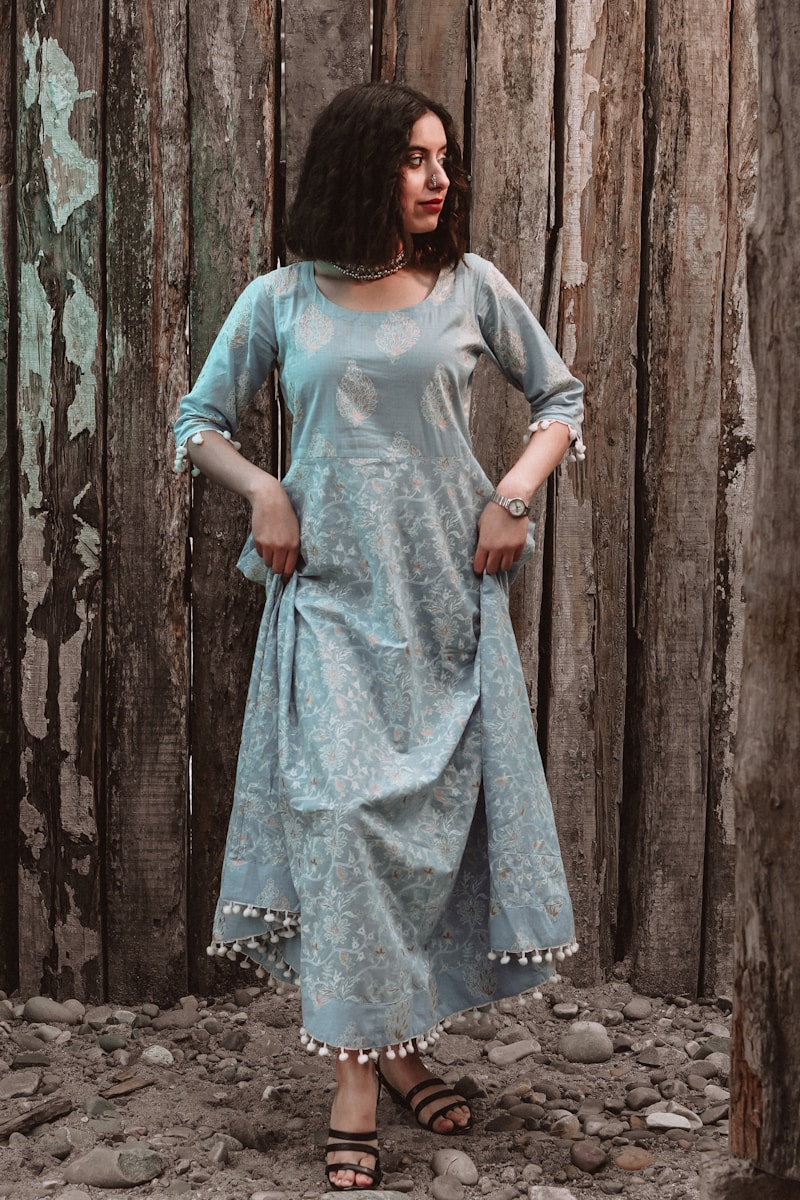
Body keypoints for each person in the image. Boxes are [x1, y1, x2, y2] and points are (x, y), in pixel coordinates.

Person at [174, 81, 585, 1191]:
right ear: (361, 168)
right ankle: (356, 1080)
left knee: (426, 841)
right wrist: (263, 487)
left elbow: (559, 399)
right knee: (348, 819)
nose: (437, 178)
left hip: (446, 611)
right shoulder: (281, 301)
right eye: (413, 158)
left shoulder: (469, 288)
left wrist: (512, 494)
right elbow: (196, 422)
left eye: (442, 157)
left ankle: (396, 1051)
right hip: (330, 606)